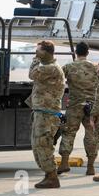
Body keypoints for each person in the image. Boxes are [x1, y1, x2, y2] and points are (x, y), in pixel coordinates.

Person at [26, 41, 65, 188]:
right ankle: (49, 175)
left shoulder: (52, 68)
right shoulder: (47, 67)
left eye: (38, 51)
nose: (36, 53)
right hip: (42, 111)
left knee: (43, 144)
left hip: (47, 114)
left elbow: (32, 74)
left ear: (47, 52)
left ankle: (52, 177)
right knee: (37, 144)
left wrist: (35, 61)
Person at [58, 42, 99, 176]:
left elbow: (57, 80)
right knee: (91, 134)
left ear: (76, 52)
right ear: (87, 52)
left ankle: (64, 163)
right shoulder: (96, 68)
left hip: (75, 105)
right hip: (91, 106)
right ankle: (91, 166)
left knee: (68, 133)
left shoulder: (69, 67)